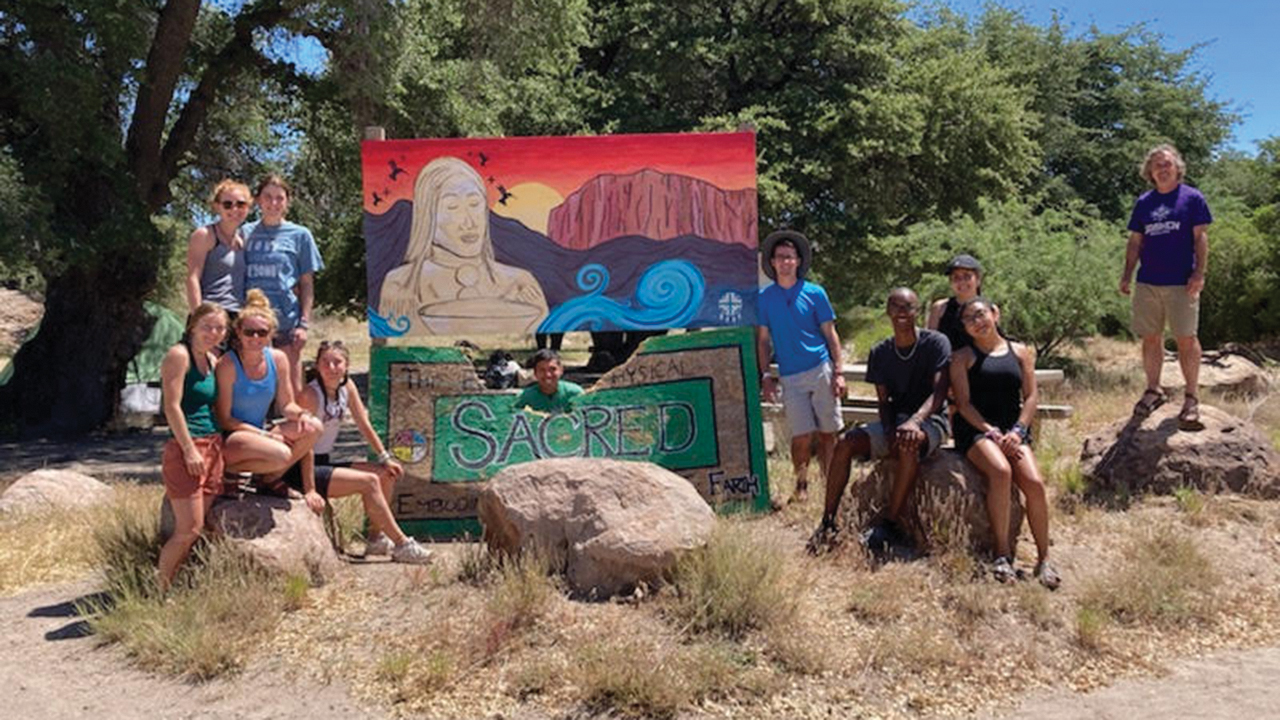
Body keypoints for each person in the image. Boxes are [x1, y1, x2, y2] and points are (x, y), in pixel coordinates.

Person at [809, 288, 950, 553]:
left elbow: (939, 392)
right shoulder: (881, 352)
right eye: (895, 306)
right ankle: (828, 520)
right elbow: (883, 402)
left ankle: (890, 524)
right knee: (845, 443)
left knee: (909, 443)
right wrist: (888, 430)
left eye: (907, 307)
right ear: (887, 311)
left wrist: (915, 422)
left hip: (932, 420)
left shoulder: (936, 343)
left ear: (916, 311)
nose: (901, 313)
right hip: (896, 422)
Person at [950, 297, 1059, 588]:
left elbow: (1032, 396)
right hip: (976, 430)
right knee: (1001, 472)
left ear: (995, 314)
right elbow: (962, 404)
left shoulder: (1021, 352)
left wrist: (1018, 430)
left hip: (1013, 430)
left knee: (1034, 483)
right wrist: (991, 432)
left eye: (981, 314)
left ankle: (1044, 559)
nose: (977, 322)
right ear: (964, 327)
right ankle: (1002, 553)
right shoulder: (962, 357)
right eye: (969, 319)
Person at [378, 156, 548, 336]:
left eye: (474, 204)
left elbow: (537, 334)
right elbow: (401, 335)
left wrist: (537, 316)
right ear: (427, 217)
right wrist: (409, 319)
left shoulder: (519, 282)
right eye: (452, 207)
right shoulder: (401, 283)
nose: (469, 222)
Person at [298, 341, 433, 564]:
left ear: (347, 365)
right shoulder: (311, 395)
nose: (332, 367)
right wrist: (310, 488)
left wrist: (385, 457)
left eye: (337, 362)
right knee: (369, 481)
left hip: (326, 461)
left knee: (385, 474)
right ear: (317, 365)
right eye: (326, 362)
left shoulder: (346, 387)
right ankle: (402, 545)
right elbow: (304, 445)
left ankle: (375, 539)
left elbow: (364, 424)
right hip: (305, 466)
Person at [1120, 144, 1211, 431]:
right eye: (1157, 164)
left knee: (1186, 339)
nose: (1162, 168)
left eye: (1167, 163)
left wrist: (1199, 273)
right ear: (1150, 171)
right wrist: (1126, 275)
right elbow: (1135, 241)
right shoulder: (1144, 202)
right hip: (1148, 281)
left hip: (1181, 282)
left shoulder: (1192, 198)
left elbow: (1201, 239)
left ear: (1177, 167)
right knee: (1150, 338)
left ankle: (1192, 396)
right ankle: (1153, 390)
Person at [756, 230, 846, 502]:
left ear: (798, 262)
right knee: (801, 436)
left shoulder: (815, 293)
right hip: (790, 374)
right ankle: (801, 485)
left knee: (829, 432)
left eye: (790, 257)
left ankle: (831, 484)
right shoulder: (764, 298)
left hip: (820, 368)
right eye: (780, 257)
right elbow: (762, 341)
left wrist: (839, 372)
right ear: (772, 262)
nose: (785, 262)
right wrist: (765, 376)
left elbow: (830, 334)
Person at [215, 289, 324, 513]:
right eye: (249, 332)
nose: (255, 338)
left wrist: (302, 415)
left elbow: (286, 405)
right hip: (234, 438)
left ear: (271, 333)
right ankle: (230, 472)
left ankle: (267, 479)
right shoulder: (227, 364)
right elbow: (225, 419)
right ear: (238, 332)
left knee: (314, 427)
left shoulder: (278, 359)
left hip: (260, 433)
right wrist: (263, 435)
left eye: (262, 332)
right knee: (281, 453)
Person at [157, 302, 229, 589]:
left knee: (199, 529)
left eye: (219, 328)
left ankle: (181, 581)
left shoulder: (212, 359)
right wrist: (188, 449)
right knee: (188, 529)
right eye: (207, 327)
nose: (213, 333)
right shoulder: (179, 355)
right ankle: (159, 588)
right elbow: (171, 407)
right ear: (192, 326)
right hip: (187, 448)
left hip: (213, 446)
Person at [243, 174, 324, 395]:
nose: (273, 203)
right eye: (268, 197)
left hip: (287, 323)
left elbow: (306, 284)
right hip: (252, 327)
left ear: (288, 201)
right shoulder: (244, 233)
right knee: (255, 391)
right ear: (258, 200)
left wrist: (304, 324)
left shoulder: (300, 235)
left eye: (280, 198)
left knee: (291, 392)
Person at [185, 180, 248, 317]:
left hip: (237, 316)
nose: (234, 209)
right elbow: (192, 278)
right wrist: (198, 317)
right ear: (217, 207)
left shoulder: (244, 240)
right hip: (210, 313)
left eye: (241, 204)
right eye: (227, 205)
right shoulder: (205, 235)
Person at [927, 254, 984, 352]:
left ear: (978, 280)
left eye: (967, 276)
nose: (961, 282)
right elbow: (931, 345)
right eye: (956, 277)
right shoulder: (939, 308)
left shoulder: (989, 309)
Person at [515, 349, 583, 413]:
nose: (548, 375)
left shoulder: (575, 394)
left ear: (561, 370)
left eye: (552, 369)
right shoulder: (524, 397)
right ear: (535, 373)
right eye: (542, 370)